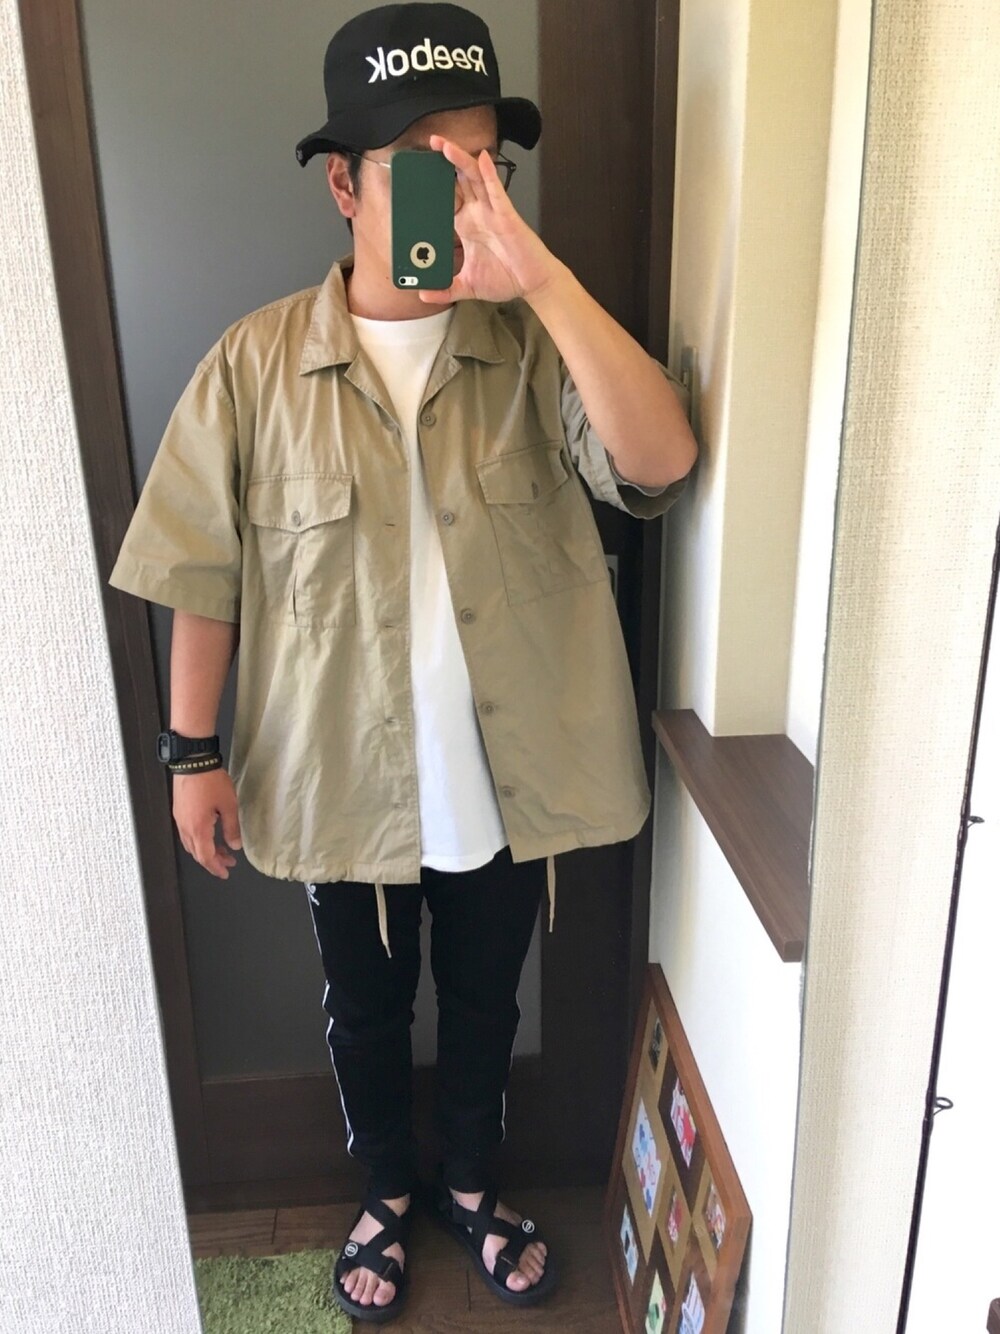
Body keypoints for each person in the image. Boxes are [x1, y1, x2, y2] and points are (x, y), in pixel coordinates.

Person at [108, 1, 698, 1323]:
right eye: (426, 166)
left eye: (483, 163)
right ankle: (383, 1187)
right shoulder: (256, 365)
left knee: (487, 999)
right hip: (339, 778)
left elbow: (659, 461)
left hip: (510, 777)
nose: (461, 191)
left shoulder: (539, 345)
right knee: (363, 1009)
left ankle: (472, 1182)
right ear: (345, 186)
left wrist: (537, 277)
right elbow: (199, 573)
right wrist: (190, 753)